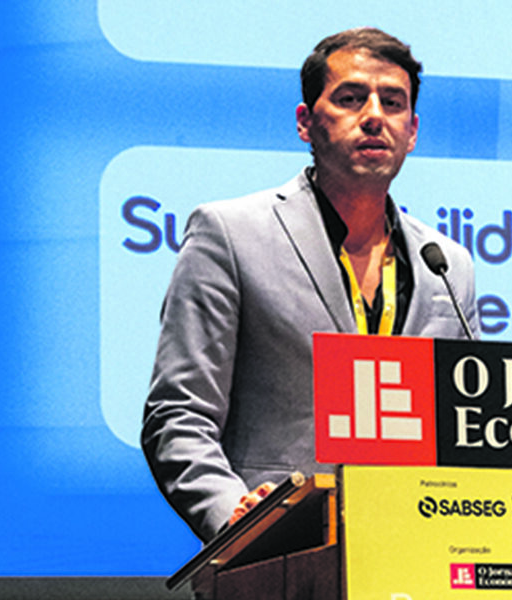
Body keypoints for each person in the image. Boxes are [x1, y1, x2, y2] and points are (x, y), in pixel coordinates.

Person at [141, 27, 480, 543]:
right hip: (276, 553)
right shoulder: (230, 234)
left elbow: (467, 430)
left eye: (392, 102)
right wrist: (234, 518)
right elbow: (179, 414)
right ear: (305, 122)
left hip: (409, 551)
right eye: (350, 98)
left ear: (412, 131)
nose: (374, 116)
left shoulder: (448, 265)